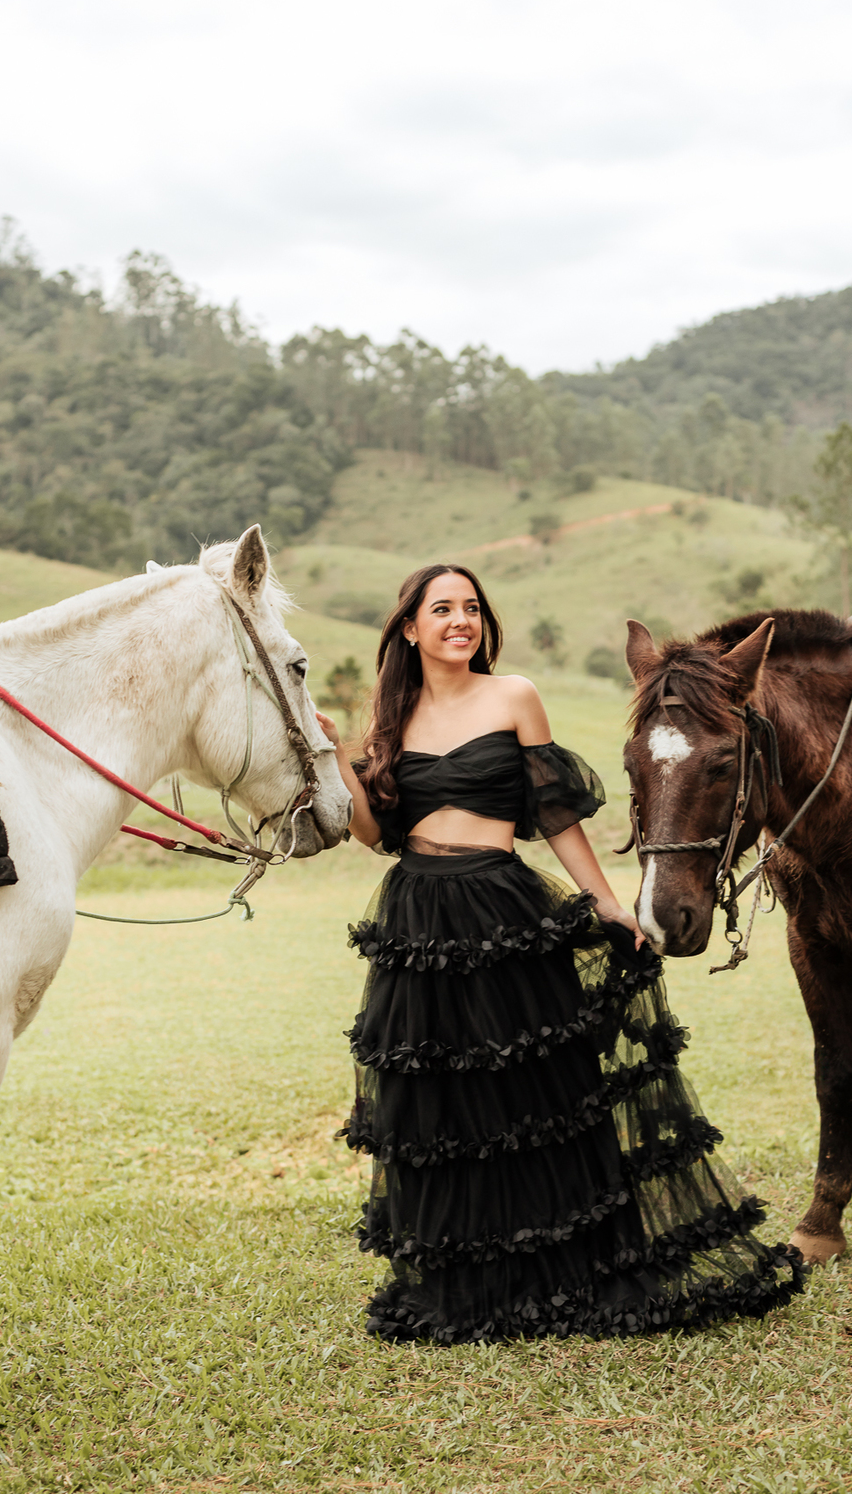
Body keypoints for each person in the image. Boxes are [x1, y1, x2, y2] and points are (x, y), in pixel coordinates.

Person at [317, 563, 804, 1343]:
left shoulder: (513, 696)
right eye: (441, 609)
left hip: (500, 904)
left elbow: (554, 815)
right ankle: (465, 1284)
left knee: (535, 1095)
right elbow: (376, 834)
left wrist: (608, 902)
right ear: (409, 627)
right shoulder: (391, 714)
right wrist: (340, 754)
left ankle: (564, 1271)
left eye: (470, 608)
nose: (459, 621)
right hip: (416, 915)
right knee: (434, 1100)